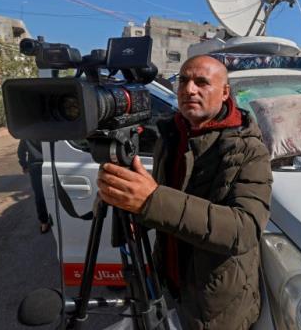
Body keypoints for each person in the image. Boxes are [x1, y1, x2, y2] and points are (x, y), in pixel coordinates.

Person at [97, 55, 273, 329]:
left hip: (216, 305)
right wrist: (135, 206)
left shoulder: (249, 149)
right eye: (183, 80)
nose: (189, 89)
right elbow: (163, 205)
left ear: (225, 92)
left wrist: (151, 201)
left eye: (202, 82)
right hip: (169, 283)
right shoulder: (171, 135)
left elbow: (245, 230)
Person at [18, 139, 51, 233]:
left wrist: (24, 165)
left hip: (35, 166)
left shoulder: (28, 131)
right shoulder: (52, 127)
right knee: (57, 192)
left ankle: (44, 222)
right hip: (53, 163)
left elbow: (21, 151)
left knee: (40, 195)